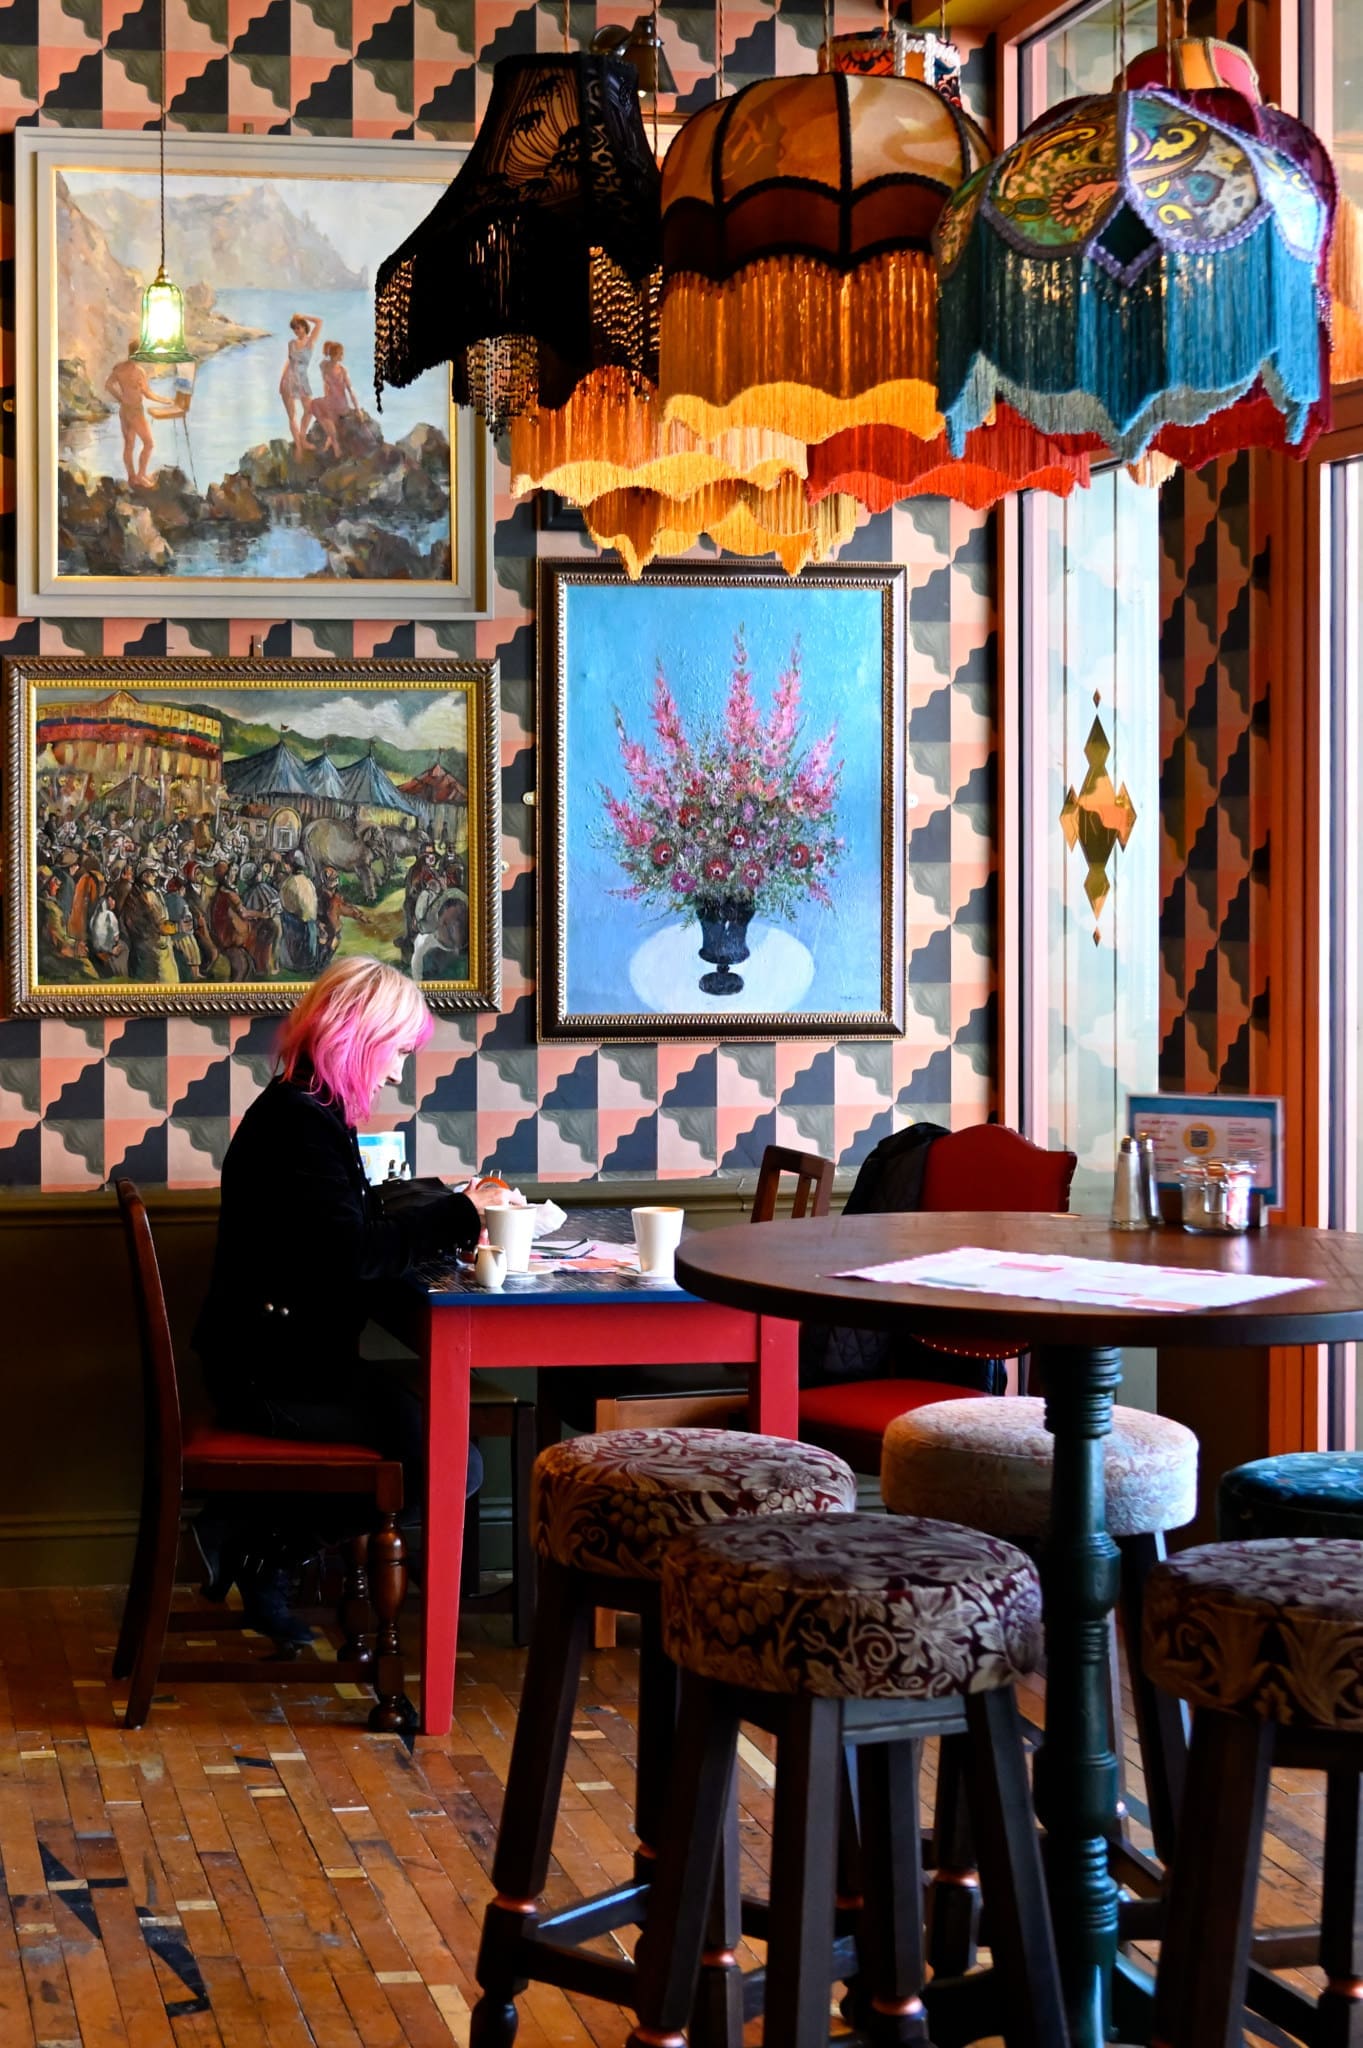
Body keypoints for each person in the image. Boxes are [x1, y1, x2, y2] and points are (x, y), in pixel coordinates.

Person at [193, 959, 496, 1648]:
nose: (395, 1074)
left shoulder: (300, 1111)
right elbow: (350, 1257)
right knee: (453, 1461)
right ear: (358, 1041)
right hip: (271, 1378)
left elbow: (339, 1236)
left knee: (445, 1451)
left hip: (279, 1360)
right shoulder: (300, 1127)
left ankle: (247, 1538)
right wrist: (459, 1215)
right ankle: (254, 1544)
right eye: (395, 1054)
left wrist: (442, 1208)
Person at [305, 340, 360, 457]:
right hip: (338, 403)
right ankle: (332, 440)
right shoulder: (341, 370)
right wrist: (357, 409)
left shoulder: (325, 366)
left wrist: (358, 409)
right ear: (334, 355)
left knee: (315, 405)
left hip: (338, 404)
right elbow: (350, 391)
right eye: (340, 353)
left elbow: (350, 391)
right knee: (319, 407)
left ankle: (334, 443)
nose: (342, 356)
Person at [279, 313, 323, 456]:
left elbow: (319, 321)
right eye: (294, 329)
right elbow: (289, 362)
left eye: (299, 328)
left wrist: (302, 316)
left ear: (304, 327)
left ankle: (302, 438)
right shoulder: (291, 343)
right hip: (289, 379)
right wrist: (281, 381)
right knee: (292, 415)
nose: (297, 331)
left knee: (309, 410)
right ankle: (298, 446)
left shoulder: (310, 342)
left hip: (302, 379)